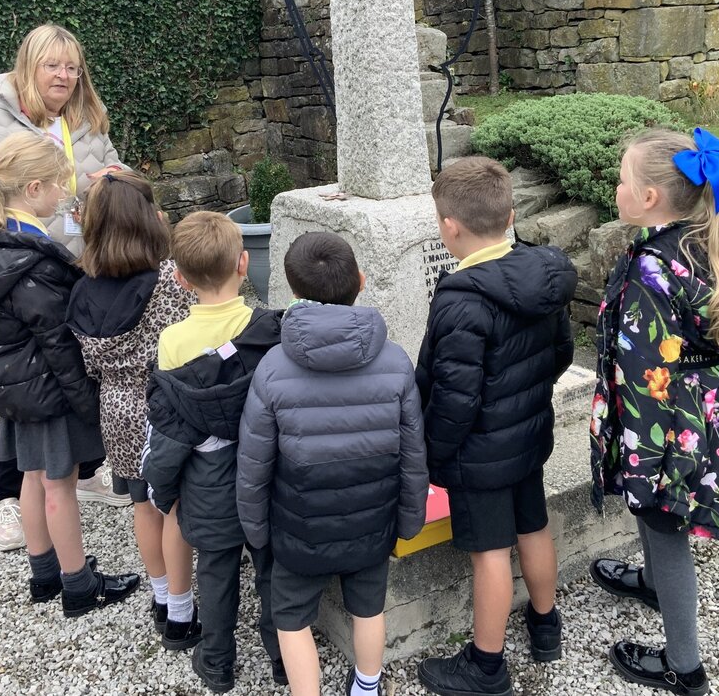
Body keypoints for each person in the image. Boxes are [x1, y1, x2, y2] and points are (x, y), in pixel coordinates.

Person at [587, 127, 719, 696]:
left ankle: (684, 666)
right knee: (655, 514)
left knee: (663, 519)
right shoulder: (709, 241)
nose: (616, 188)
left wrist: (641, 458)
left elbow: (641, 367)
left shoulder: (650, 267)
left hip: (664, 421)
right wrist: (701, 363)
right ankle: (652, 583)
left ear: (648, 198)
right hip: (707, 408)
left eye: (622, 180)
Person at [0, 131, 142, 616]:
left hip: (13, 385)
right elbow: (59, 345)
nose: (64, 196)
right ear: (33, 189)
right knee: (60, 485)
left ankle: (44, 573)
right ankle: (78, 585)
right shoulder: (33, 261)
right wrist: (87, 402)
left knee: (31, 477)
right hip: (47, 389)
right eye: (58, 186)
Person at [0, 23, 130, 553]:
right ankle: (9, 496)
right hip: (23, 279)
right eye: (53, 65)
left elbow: (108, 177)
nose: (64, 76)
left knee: (76, 373)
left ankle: (83, 471)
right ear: (28, 67)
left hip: (80, 271)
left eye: (73, 67)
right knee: (26, 385)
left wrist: (114, 181)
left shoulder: (87, 119)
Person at [237, 232, 428, 696]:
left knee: (291, 618)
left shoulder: (273, 367)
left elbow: (254, 462)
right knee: (369, 609)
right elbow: (413, 454)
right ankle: (367, 685)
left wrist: (256, 531)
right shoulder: (396, 361)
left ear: (293, 291)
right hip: (372, 518)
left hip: (299, 526)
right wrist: (409, 520)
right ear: (360, 281)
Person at [414, 157, 578, 696]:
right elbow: (560, 353)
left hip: (478, 453)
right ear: (510, 216)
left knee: (489, 551)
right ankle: (545, 624)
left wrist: (433, 453)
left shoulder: (462, 300)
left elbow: (454, 399)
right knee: (533, 526)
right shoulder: (542, 276)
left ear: (449, 227)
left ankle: (486, 665)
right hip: (527, 436)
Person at [142, 211, 286, 692]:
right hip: (264, 469)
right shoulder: (267, 329)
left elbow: (171, 426)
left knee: (217, 571)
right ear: (244, 263)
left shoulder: (172, 342)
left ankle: (218, 661)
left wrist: (162, 487)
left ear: (180, 279)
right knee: (271, 569)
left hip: (206, 478)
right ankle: (284, 658)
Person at [66, 170, 197, 634]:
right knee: (173, 509)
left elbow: (88, 364)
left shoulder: (81, 289)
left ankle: (160, 597)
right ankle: (180, 612)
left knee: (142, 505)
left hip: (116, 408)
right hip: (165, 407)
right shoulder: (168, 281)